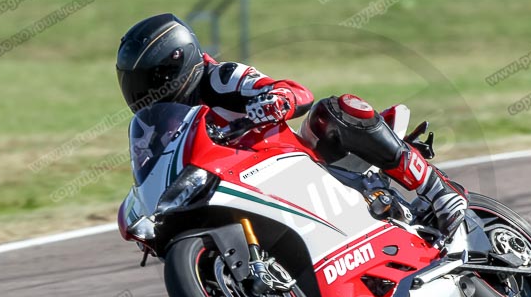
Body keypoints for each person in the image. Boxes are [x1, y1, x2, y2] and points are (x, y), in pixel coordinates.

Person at [116, 13, 467, 235]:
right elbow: (154, 173)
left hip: (296, 164)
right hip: (242, 190)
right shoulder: (158, 128)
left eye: (152, 79)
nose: (144, 92)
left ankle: (437, 190)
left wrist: (275, 100)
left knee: (336, 110)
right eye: (134, 83)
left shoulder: (220, 78)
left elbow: (296, 91)